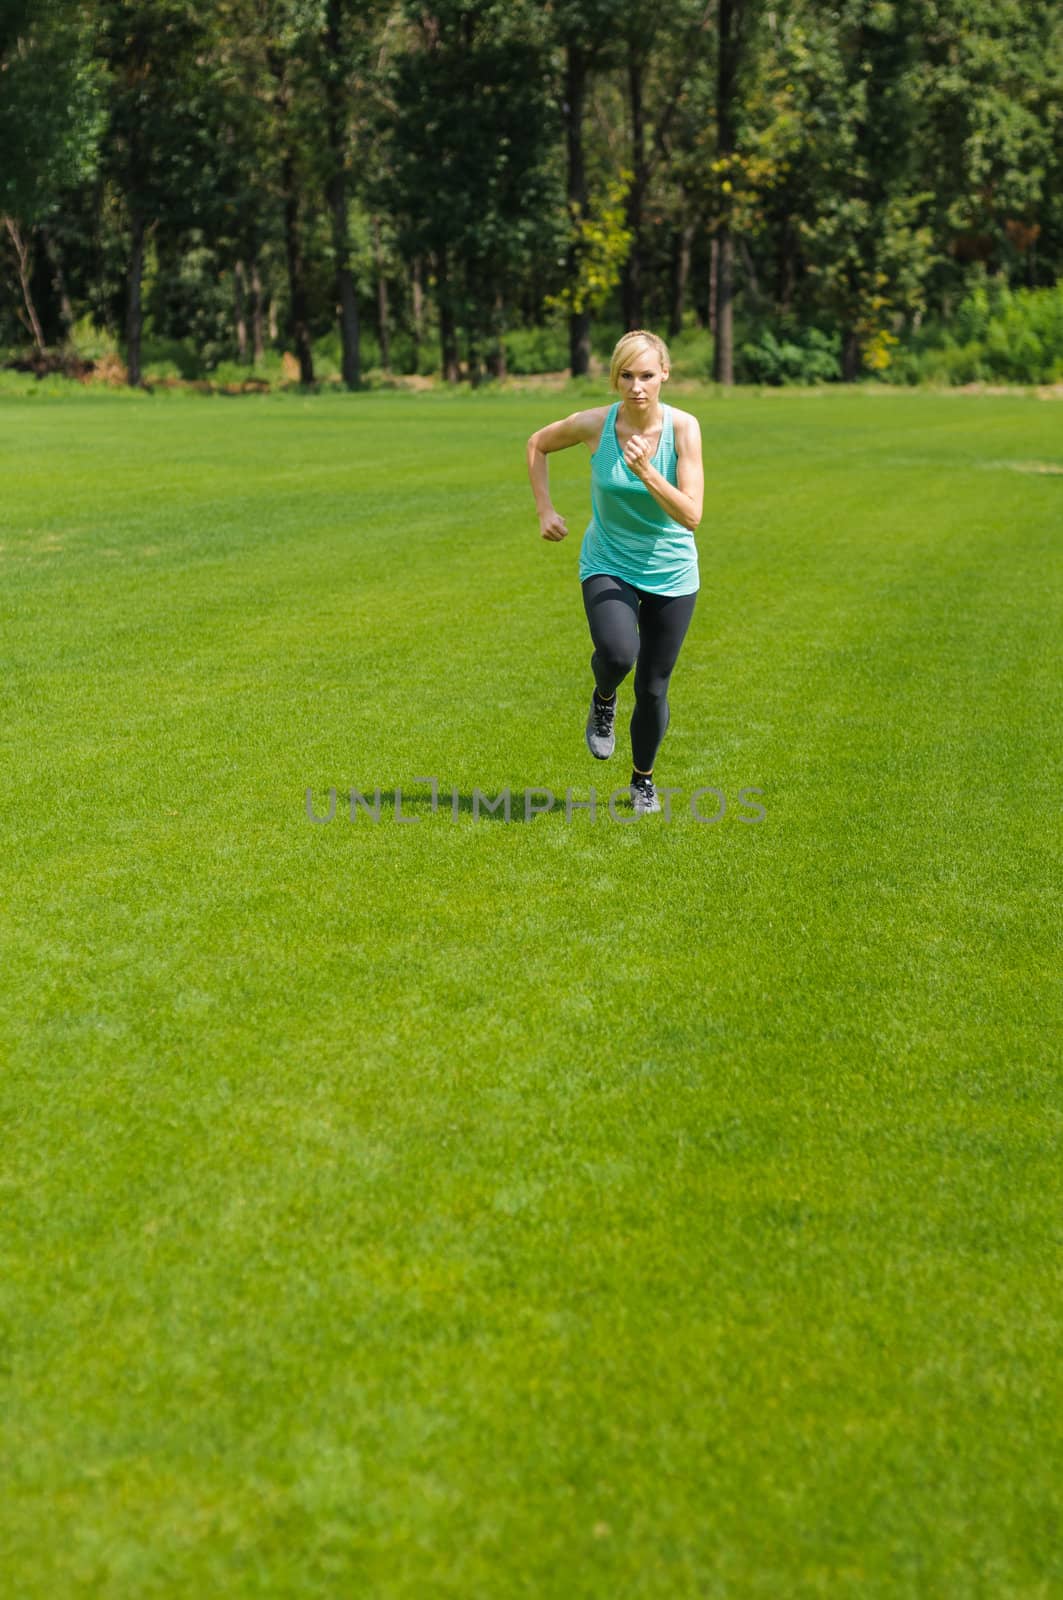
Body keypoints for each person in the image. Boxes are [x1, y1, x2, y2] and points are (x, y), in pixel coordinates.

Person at [526, 330, 704, 815]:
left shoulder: (684, 428)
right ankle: (603, 696)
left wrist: (648, 472)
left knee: (652, 688)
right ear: (615, 377)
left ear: (665, 373)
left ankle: (642, 780)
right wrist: (545, 510)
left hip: (671, 572)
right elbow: (537, 444)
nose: (637, 386)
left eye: (647, 375)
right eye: (626, 375)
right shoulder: (595, 425)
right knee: (619, 653)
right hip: (608, 560)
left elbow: (691, 516)